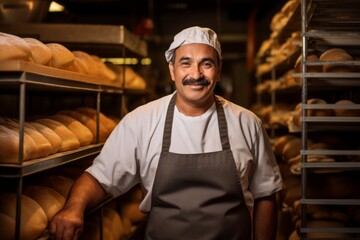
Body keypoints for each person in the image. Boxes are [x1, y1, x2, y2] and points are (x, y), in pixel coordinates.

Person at [50, 26, 282, 240]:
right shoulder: (141, 121)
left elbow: (265, 195)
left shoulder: (247, 123)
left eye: (207, 64)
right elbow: (99, 178)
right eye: (186, 63)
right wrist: (74, 208)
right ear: (172, 70)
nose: (196, 73)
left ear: (219, 71)